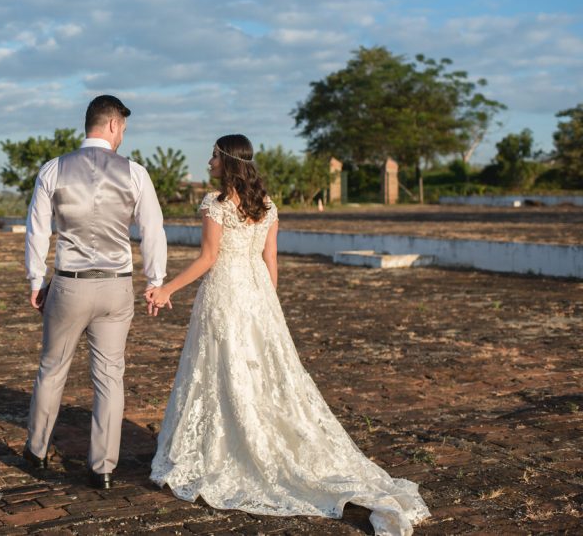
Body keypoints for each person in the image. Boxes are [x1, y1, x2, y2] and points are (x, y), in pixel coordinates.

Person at [146, 134, 430, 536]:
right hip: (258, 294)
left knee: (220, 369)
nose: (208, 161)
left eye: (213, 155)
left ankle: (229, 446)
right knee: (257, 369)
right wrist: (269, 305)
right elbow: (270, 259)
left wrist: (167, 289)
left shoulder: (216, 204)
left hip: (226, 293)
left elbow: (208, 258)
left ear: (226, 161)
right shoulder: (267, 206)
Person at [23, 95, 168, 490]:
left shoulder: (54, 169)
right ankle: (102, 467)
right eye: (123, 128)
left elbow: (38, 230)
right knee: (110, 377)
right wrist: (155, 280)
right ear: (113, 125)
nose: (123, 135)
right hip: (116, 286)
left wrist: (36, 281)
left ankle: (36, 452)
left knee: (52, 369)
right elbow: (152, 231)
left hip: (69, 284)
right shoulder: (135, 173)